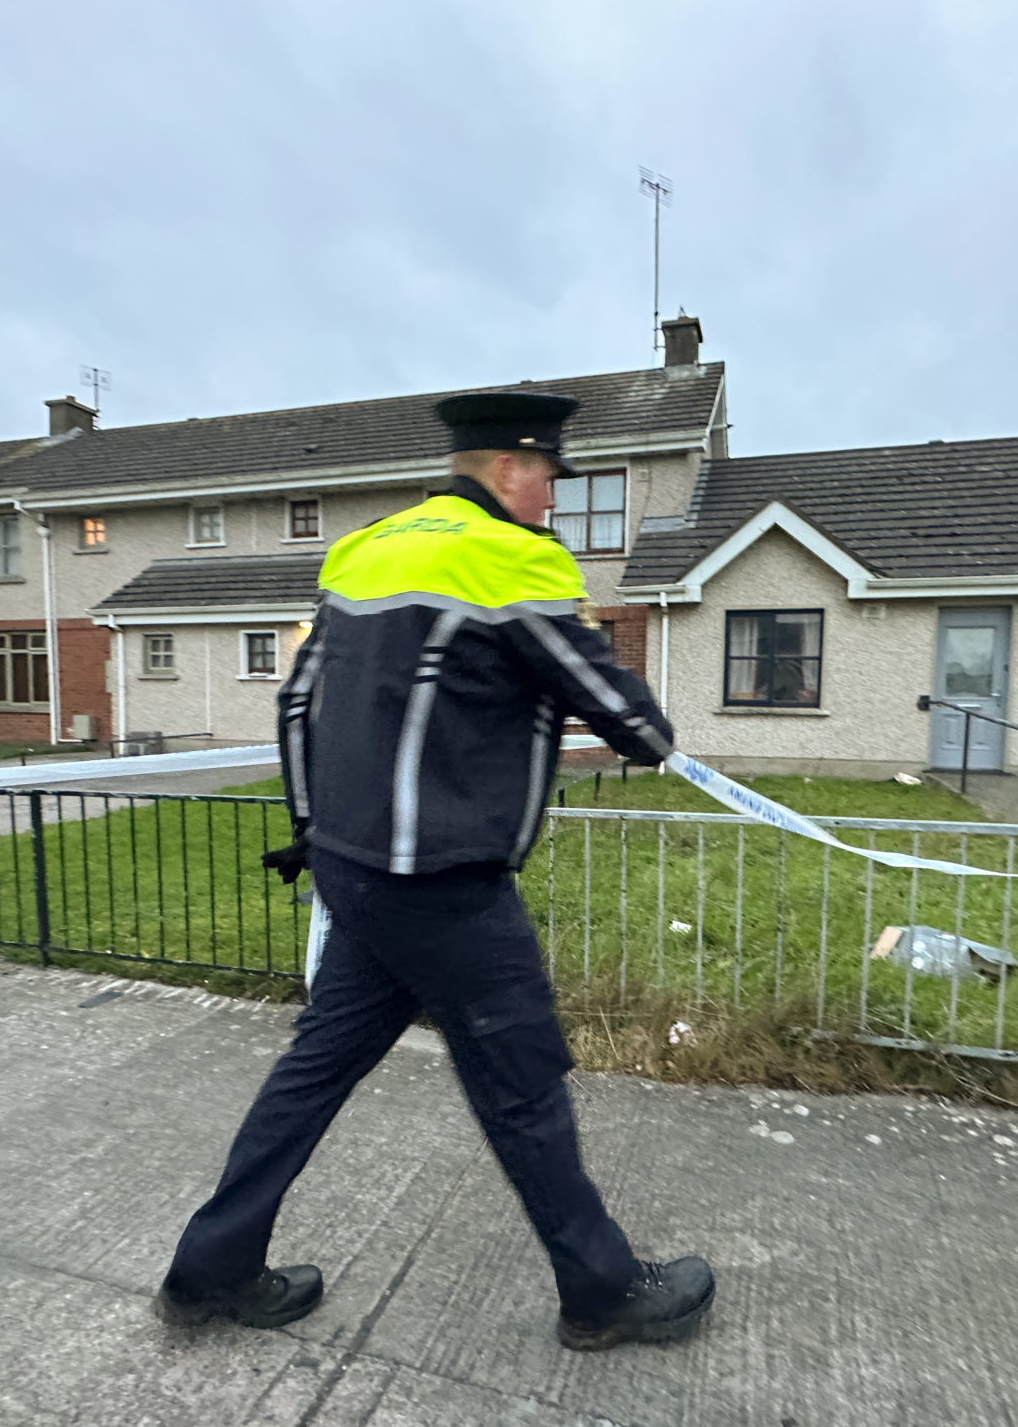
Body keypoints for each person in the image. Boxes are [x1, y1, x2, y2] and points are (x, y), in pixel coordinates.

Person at [154, 390, 715, 1351]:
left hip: (351, 865)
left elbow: (297, 710)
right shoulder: (511, 561)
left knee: (314, 1070)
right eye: (546, 475)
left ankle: (209, 1270)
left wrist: (308, 827)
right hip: (446, 885)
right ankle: (603, 1287)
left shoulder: (367, 550)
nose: (552, 497)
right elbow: (638, 727)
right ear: (506, 468)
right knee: (521, 1079)